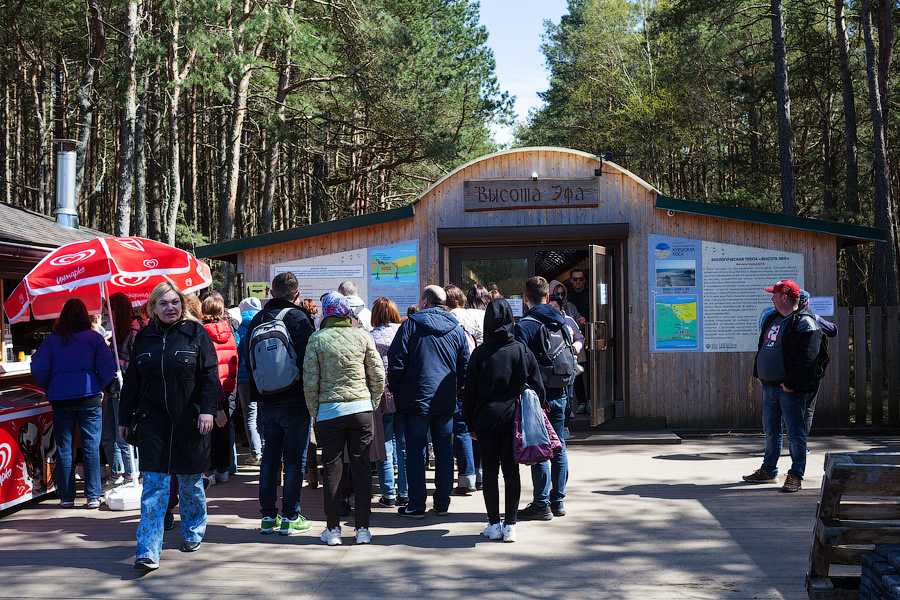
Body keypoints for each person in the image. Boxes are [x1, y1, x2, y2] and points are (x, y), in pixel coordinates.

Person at [118, 282, 219, 570]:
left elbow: (210, 377)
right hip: (153, 424)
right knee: (154, 488)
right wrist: (125, 418)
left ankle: (193, 531)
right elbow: (133, 383)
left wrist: (208, 411)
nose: (170, 308)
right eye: (163, 303)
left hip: (190, 420)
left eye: (175, 302)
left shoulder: (195, 333)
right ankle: (148, 549)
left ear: (183, 305)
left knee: (190, 484)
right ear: (153, 307)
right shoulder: (145, 337)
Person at [303, 292, 385, 545]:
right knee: (361, 468)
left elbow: (310, 381)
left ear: (326, 312)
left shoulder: (316, 339)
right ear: (347, 311)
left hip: (329, 413)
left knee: (332, 469)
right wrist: (373, 402)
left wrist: (315, 411)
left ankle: (333, 530)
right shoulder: (363, 335)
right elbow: (378, 373)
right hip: (361, 410)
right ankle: (362, 529)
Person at [463, 298, 544, 543]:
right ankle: (511, 525)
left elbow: (470, 393)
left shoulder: (479, 353)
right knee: (512, 472)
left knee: (489, 473)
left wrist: (469, 423)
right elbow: (538, 388)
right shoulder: (521, 350)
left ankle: (493, 524)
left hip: (485, 421)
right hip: (514, 421)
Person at [388, 285, 469, 518]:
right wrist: (456, 388)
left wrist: (397, 390)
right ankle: (442, 503)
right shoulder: (456, 329)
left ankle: (416, 504)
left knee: (415, 451)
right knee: (444, 451)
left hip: (416, 399)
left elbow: (396, 361)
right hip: (445, 400)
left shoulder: (411, 325)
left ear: (424, 301)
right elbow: (465, 364)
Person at [245, 272, 316, 535]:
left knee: (270, 460)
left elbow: (247, 358)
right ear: (296, 294)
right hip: (295, 398)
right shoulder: (299, 318)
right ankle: (290, 517)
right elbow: (309, 360)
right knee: (295, 460)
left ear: (271, 293)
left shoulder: (257, 319)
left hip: (265, 399)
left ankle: (267, 518)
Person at [32, 299, 116, 509]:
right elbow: (108, 368)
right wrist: (98, 385)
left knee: (64, 448)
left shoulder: (52, 340)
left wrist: (51, 386)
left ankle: (67, 497)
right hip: (90, 398)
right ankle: (93, 497)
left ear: (63, 315)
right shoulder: (95, 338)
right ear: (85, 315)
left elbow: (38, 368)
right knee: (90, 447)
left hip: (61, 399)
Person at [743, 279, 823, 493]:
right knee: (771, 432)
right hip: (768, 388)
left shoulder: (806, 323)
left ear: (784, 297)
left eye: (775, 294)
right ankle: (768, 471)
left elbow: (808, 359)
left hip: (789, 390)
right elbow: (763, 346)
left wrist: (790, 384)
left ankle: (796, 475)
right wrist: (758, 373)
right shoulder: (773, 317)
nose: (772, 298)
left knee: (796, 435)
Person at [515, 276, 570, 521]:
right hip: (561, 392)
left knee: (540, 446)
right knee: (559, 446)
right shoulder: (562, 322)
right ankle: (558, 500)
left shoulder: (524, 326)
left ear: (525, 298)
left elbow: (518, 364)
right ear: (547, 297)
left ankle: (541, 504)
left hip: (538, 396)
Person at [101, 292, 145, 487]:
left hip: (124, 391)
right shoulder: (118, 331)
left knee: (122, 436)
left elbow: (137, 365)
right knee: (108, 436)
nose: (106, 314)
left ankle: (130, 474)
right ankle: (117, 473)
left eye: (110, 310)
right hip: (111, 390)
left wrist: (114, 363)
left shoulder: (134, 331)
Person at [445, 284, 482, 494]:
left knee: (462, 429)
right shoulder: (478, 315)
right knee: (478, 427)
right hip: (482, 379)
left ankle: (468, 477)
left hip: (461, 380)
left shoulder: (452, 320)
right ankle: (480, 473)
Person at [370, 297, 406, 507]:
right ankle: (405, 492)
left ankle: (388, 494)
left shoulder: (370, 337)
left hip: (381, 397)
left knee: (383, 446)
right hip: (403, 396)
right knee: (404, 445)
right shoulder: (404, 334)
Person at [201, 293, 239, 485]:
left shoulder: (202, 332)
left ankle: (209, 471)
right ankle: (224, 469)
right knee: (224, 430)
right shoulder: (229, 329)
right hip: (229, 387)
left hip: (211, 387)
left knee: (207, 431)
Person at [549, 294, 585, 439]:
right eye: (550, 307)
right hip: (550, 366)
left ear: (561, 308)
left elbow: (579, 337)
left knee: (568, 396)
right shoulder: (543, 322)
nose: (553, 310)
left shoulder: (568, 321)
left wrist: (576, 346)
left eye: (556, 307)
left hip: (569, 362)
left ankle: (564, 426)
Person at [235, 297, 263, 465]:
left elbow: (237, 352)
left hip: (245, 378)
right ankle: (266, 450)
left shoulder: (239, 328)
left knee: (250, 415)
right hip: (264, 377)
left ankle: (255, 453)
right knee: (263, 415)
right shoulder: (264, 323)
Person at [566, 269, 590, 414]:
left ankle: (591, 400)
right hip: (575, 339)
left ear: (585, 280)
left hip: (592, 337)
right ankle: (581, 401)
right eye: (575, 279)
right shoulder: (568, 300)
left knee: (592, 371)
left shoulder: (590, 296)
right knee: (578, 372)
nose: (578, 282)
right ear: (571, 281)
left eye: (580, 279)